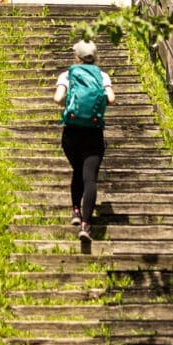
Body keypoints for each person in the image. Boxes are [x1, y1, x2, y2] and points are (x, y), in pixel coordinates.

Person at [54, 39, 116, 241]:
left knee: (78, 171)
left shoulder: (67, 74)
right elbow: (111, 98)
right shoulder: (102, 75)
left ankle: (75, 211)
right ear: (95, 57)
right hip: (93, 134)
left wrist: (71, 103)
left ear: (76, 57)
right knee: (89, 178)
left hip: (71, 133)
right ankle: (86, 225)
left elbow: (57, 99)